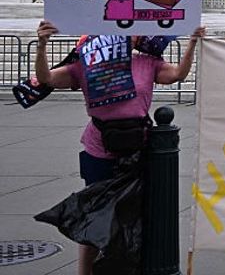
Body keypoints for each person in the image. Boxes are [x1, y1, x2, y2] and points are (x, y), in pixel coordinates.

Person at [34, 21, 204, 275]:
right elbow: (47, 79)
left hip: (139, 146)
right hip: (99, 147)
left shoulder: (147, 62)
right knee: (95, 214)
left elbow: (177, 75)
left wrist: (191, 43)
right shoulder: (88, 63)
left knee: (137, 211)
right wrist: (42, 45)